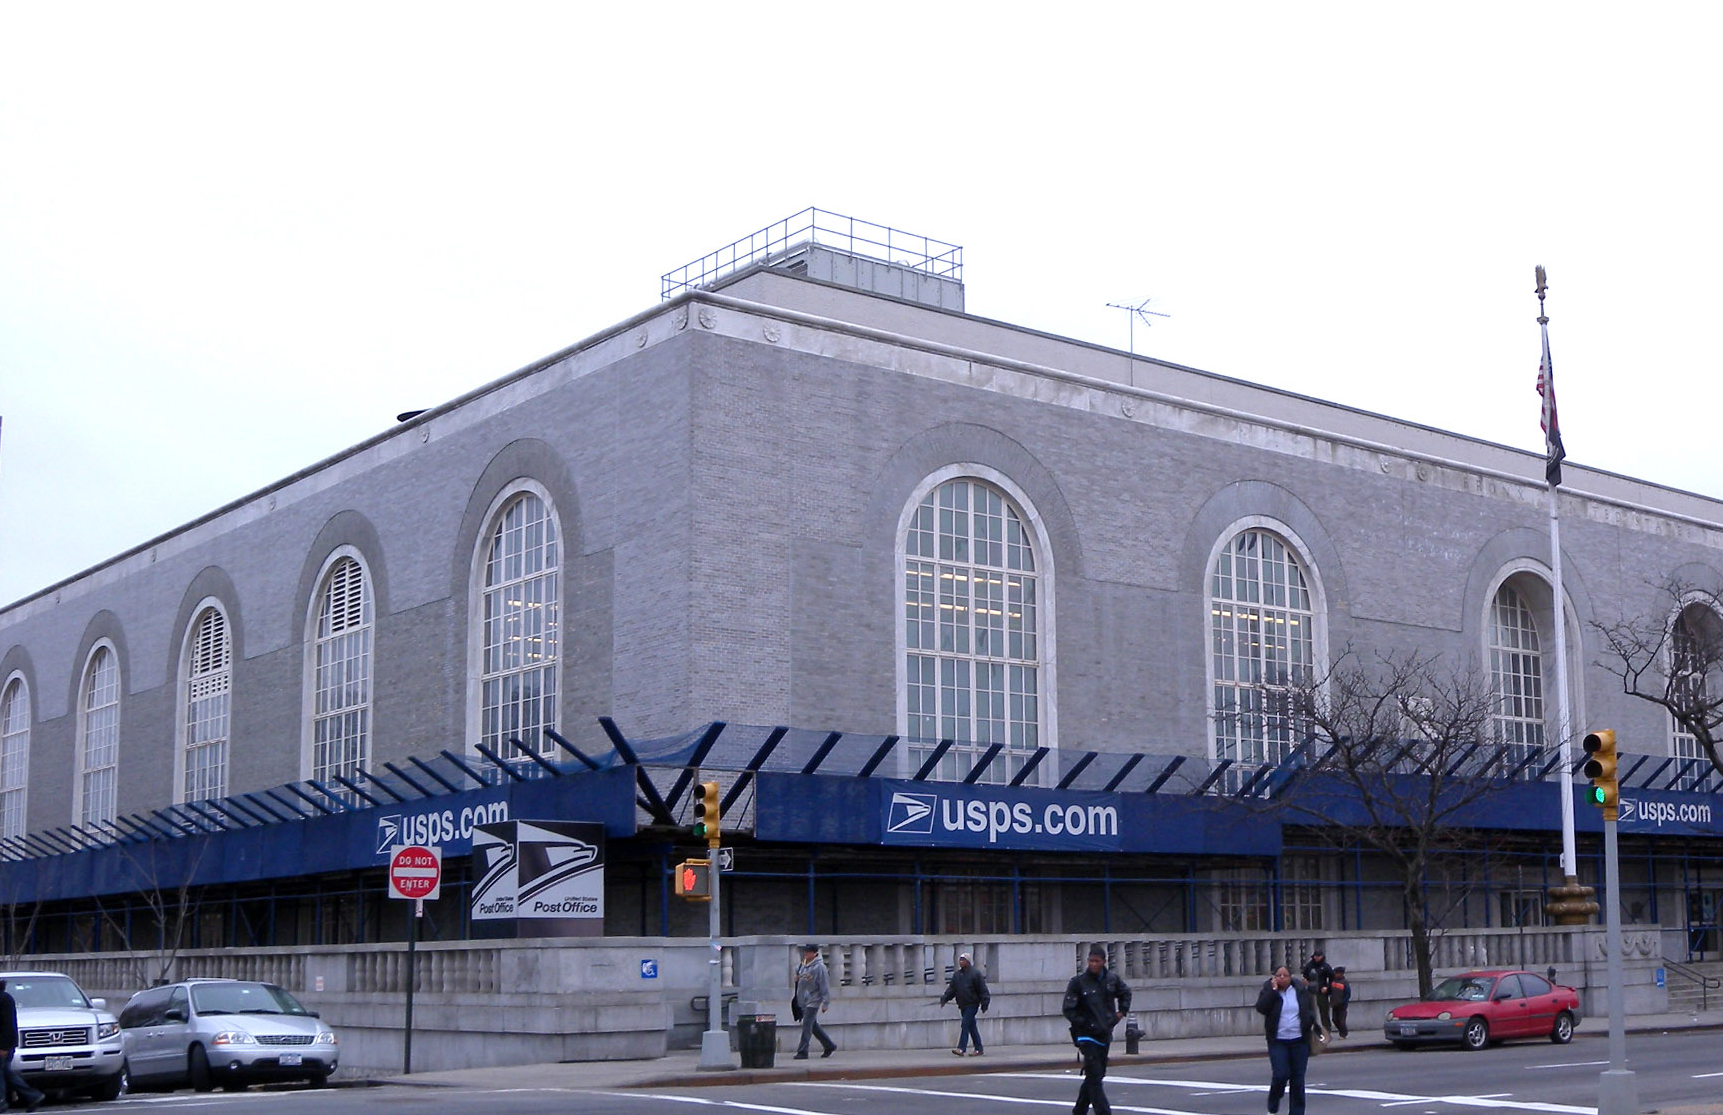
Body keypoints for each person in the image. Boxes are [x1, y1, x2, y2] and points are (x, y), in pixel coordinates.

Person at [1062, 945, 1132, 1115]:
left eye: (1096, 961)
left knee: (1097, 1075)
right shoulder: (1078, 982)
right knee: (1094, 1074)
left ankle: (1079, 1110)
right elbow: (1068, 1009)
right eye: (1090, 961)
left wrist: (1120, 1013)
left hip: (1104, 1033)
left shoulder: (1111, 980)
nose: (1093, 964)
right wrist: (1083, 1023)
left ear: (1103, 962)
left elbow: (1126, 993)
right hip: (1086, 1035)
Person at [1255, 965, 1318, 1115]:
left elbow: (1309, 1008)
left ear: (1291, 977)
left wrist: (1309, 1021)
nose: (1282, 978)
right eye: (1278, 975)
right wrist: (1273, 991)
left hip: (1299, 1040)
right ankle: (1273, 1102)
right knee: (1280, 1075)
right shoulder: (1269, 990)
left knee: (1298, 1079)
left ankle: (1297, 1112)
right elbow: (1261, 1008)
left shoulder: (1300, 990)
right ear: (1274, 978)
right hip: (1278, 1041)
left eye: (1285, 975)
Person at [0, 981, 44, 1113]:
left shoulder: (4, 999)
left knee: (1, 1073)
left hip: (4, 1044)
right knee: (6, 1073)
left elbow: (8, 1025)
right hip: (5, 1043)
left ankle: (2, 1102)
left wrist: (4, 1047)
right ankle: (33, 1096)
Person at [939, 952, 991, 1056]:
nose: (961, 962)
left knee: (965, 1024)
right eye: (960, 960)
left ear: (968, 962)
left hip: (972, 1004)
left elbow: (983, 990)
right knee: (972, 1027)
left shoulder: (975, 974)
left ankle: (961, 1048)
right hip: (962, 1005)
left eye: (963, 960)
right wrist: (945, 999)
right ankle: (979, 1048)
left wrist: (985, 1003)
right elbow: (952, 989)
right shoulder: (957, 975)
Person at [792, 943, 836, 1060]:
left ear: (814, 953)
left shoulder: (819, 967)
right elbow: (798, 975)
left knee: (807, 1025)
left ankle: (802, 1051)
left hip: (814, 1000)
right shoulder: (803, 964)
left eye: (808, 952)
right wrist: (797, 978)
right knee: (813, 1026)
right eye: (805, 951)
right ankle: (829, 1045)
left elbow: (824, 985)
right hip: (804, 1000)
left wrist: (826, 1003)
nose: (806, 953)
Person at [1300, 950, 1334, 1032]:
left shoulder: (1326, 966)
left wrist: (1327, 988)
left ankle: (1327, 1029)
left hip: (1321, 991)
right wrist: (1305, 981)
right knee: (1310, 1010)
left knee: (1324, 1011)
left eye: (1318, 956)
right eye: (1315, 956)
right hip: (1311, 990)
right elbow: (1305, 975)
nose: (1316, 958)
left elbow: (1332, 979)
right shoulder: (1310, 965)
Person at [1328, 966, 1351, 1039]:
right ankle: (1343, 1031)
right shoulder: (1333, 981)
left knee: (1341, 1020)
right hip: (1334, 1003)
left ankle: (1343, 1034)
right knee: (1334, 1019)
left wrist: (1344, 1002)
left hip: (1342, 1005)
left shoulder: (1345, 982)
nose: (1335, 974)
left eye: (1337, 973)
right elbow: (1330, 990)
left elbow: (1347, 994)